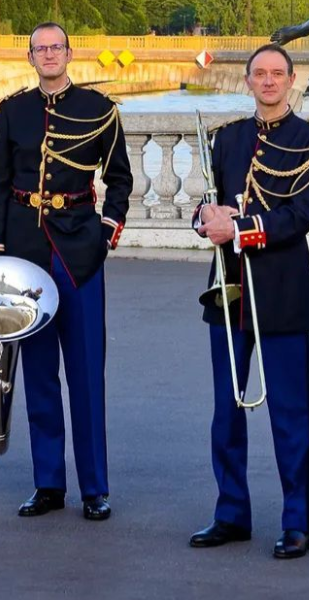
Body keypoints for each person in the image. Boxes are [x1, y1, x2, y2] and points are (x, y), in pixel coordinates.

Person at [0, 22, 132, 521]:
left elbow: (120, 180)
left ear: (69, 53)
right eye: (39, 48)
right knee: (40, 373)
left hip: (79, 252)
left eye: (56, 47)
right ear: (30, 57)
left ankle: (95, 488)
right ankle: (48, 483)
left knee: (87, 374)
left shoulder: (99, 110)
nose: (49, 54)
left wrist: (104, 235)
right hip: (25, 253)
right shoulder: (13, 110)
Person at [190, 44, 309, 558]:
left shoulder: (308, 141)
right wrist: (204, 220)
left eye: (276, 74)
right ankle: (231, 513)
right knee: (226, 412)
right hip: (230, 294)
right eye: (259, 74)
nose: (268, 82)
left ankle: (298, 520)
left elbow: (298, 216)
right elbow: (212, 201)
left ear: (292, 82)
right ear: (246, 81)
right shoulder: (229, 139)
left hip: (285, 291)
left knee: (290, 415)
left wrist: (237, 228)